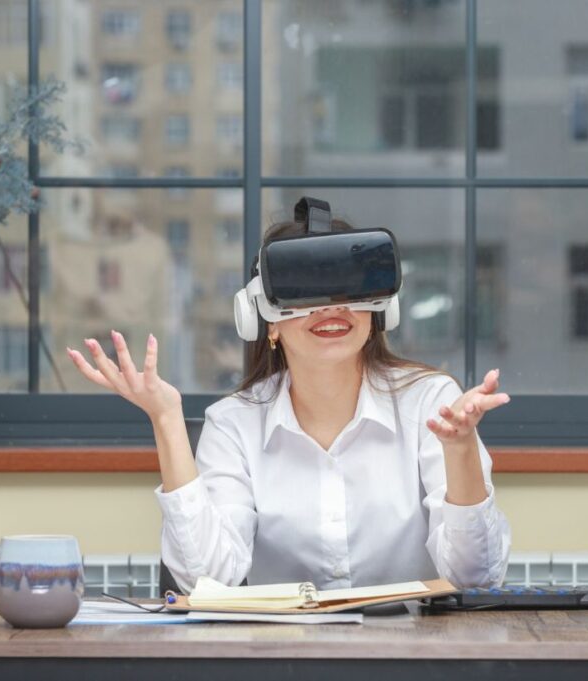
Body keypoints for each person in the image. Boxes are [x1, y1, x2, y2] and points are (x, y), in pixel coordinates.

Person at [66, 217, 512, 591]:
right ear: (265, 321)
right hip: (279, 656)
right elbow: (207, 579)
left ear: (379, 309)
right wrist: (165, 419)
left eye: (347, 289)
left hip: (414, 656)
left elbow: (475, 579)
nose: (330, 308)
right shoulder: (233, 424)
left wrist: (460, 452)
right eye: (304, 292)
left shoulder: (431, 403)